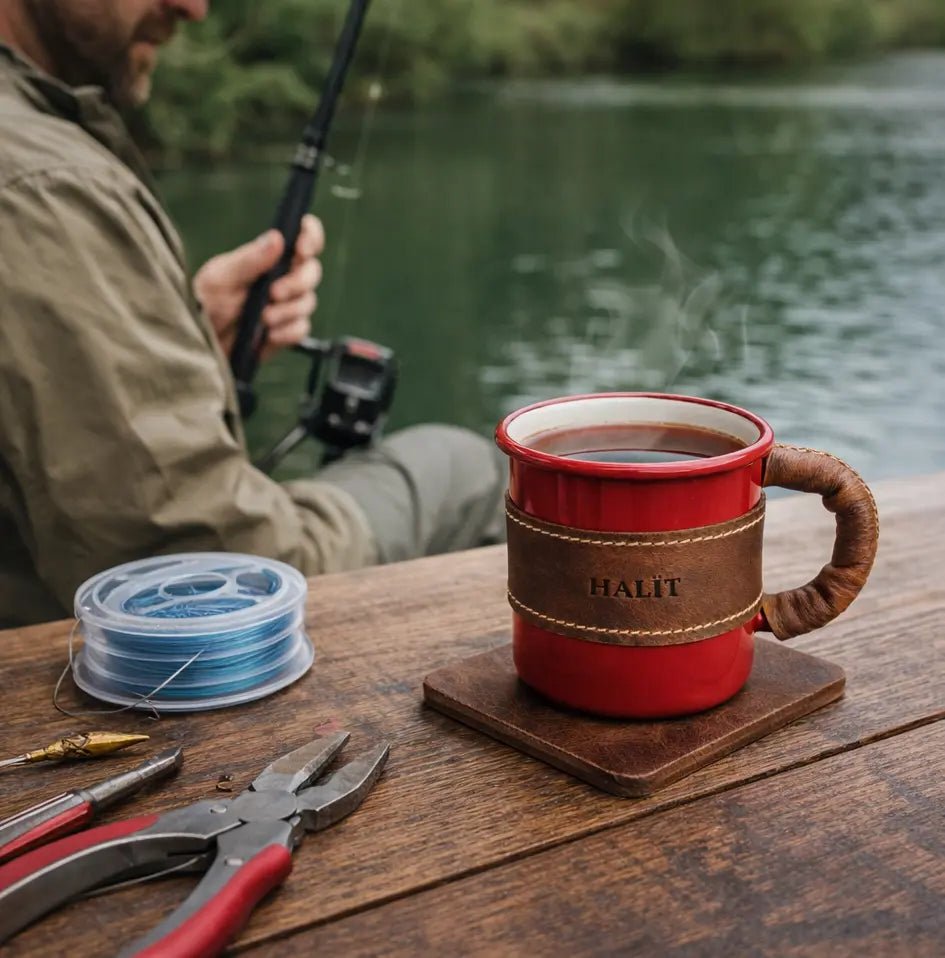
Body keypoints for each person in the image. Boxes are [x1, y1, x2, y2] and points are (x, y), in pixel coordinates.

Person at [0, 0, 505, 628]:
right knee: (472, 471)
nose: (193, 7)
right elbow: (192, 571)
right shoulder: (45, 185)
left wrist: (186, 337)